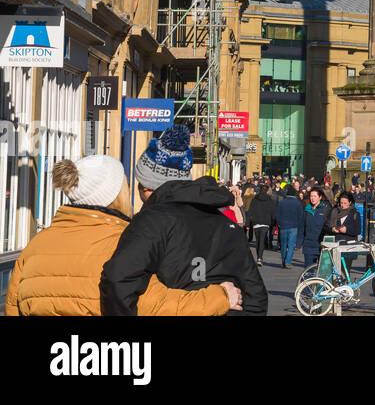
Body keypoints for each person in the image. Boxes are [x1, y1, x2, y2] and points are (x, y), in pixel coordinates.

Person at [6, 155, 240, 316]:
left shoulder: (36, 245)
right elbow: (155, 307)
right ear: (115, 194)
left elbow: (13, 307)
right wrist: (219, 297)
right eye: (126, 186)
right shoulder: (127, 241)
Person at [101, 125, 267, 315]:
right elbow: (256, 297)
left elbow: (118, 280)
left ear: (146, 186)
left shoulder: (151, 222)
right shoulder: (226, 224)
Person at [275, 182, 305, 268]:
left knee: (283, 244)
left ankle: (284, 260)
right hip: (293, 226)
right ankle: (288, 261)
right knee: (291, 244)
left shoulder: (282, 202)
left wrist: (279, 223)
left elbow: (277, 214)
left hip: (283, 226)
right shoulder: (297, 203)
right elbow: (300, 216)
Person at [246, 183, 275, 267]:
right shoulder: (270, 200)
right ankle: (259, 257)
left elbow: (250, 212)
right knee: (262, 240)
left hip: (256, 222)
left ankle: (259, 256)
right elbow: (273, 212)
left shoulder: (255, 199)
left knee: (258, 241)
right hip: (266, 222)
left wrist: (248, 223)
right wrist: (273, 222)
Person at [302, 187, 330, 269]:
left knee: (323, 271)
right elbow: (302, 226)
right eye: (311, 196)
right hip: (308, 244)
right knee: (308, 270)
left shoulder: (326, 209)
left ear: (320, 197)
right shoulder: (307, 209)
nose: (312, 198)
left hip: (321, 244)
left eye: (314, 196)